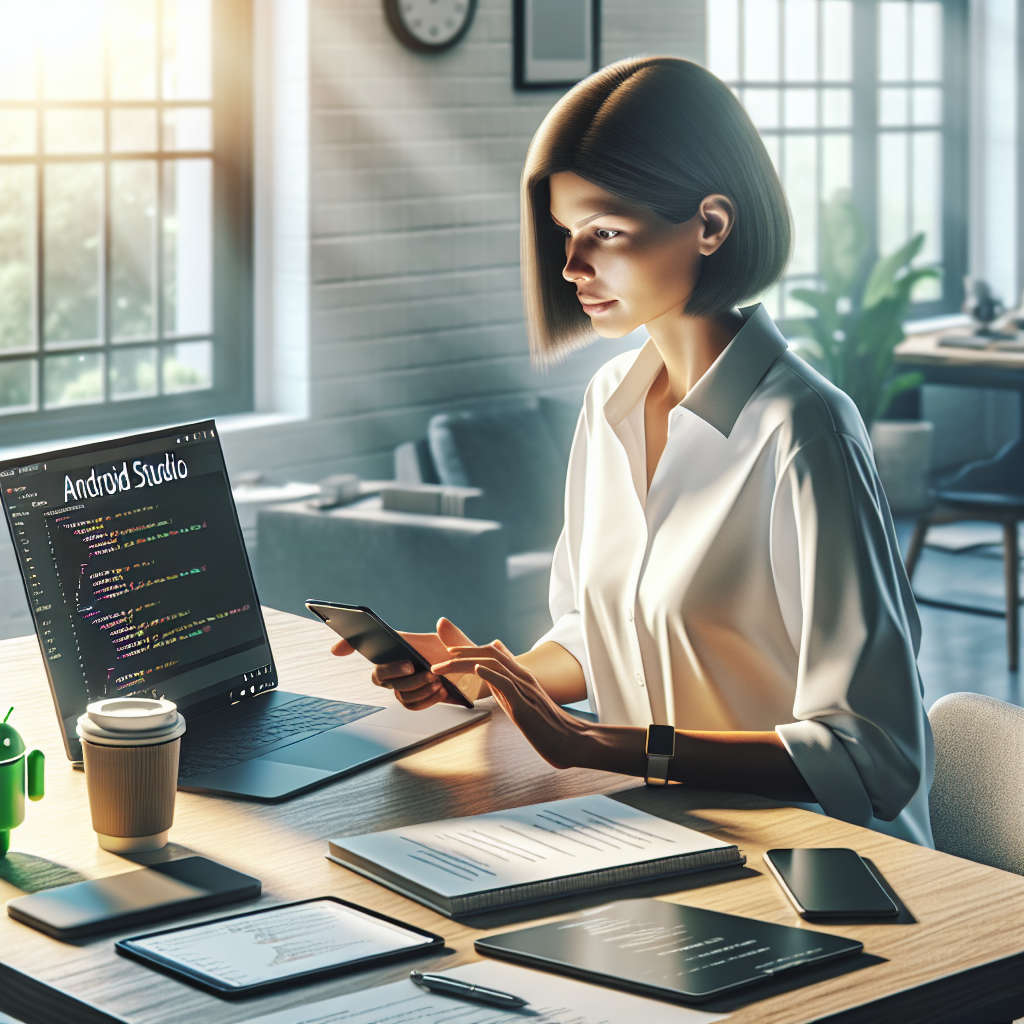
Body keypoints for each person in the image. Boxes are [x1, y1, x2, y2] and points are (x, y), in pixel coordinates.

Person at [331, 56, 934, 847]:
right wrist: (488, 676)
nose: (572, 267)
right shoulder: (609, 402)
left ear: (711, 225)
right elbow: (595, 632)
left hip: (822, 863)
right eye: (565, 235)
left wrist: (597, 747)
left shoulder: (805, 431)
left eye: (605, 234)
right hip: (654, 836)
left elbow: (872, 757)